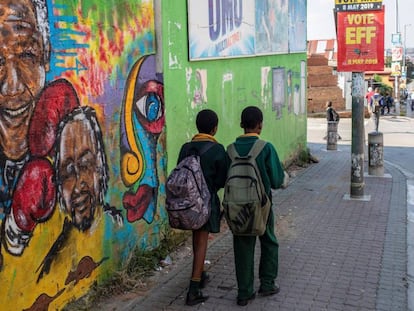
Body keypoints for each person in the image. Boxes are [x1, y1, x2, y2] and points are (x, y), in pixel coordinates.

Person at [228, 106, 285, 306]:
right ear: (260, 125)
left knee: (242, 246)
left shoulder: (231, 149)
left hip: (237, 208)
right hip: (262, 206)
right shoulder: (265, 148)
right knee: (268, 241)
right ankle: (267, 283)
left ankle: (244, 292)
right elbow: (277, 180)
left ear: (241, 125)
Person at [176, 109, 229, 306]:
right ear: (214, 128)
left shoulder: (185, 147)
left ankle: (200, 274)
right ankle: (194, 289)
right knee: (202, 242)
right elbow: (222, 179)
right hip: (206, 203)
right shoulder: (217, 149)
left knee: (196, 240)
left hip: (187, 203)